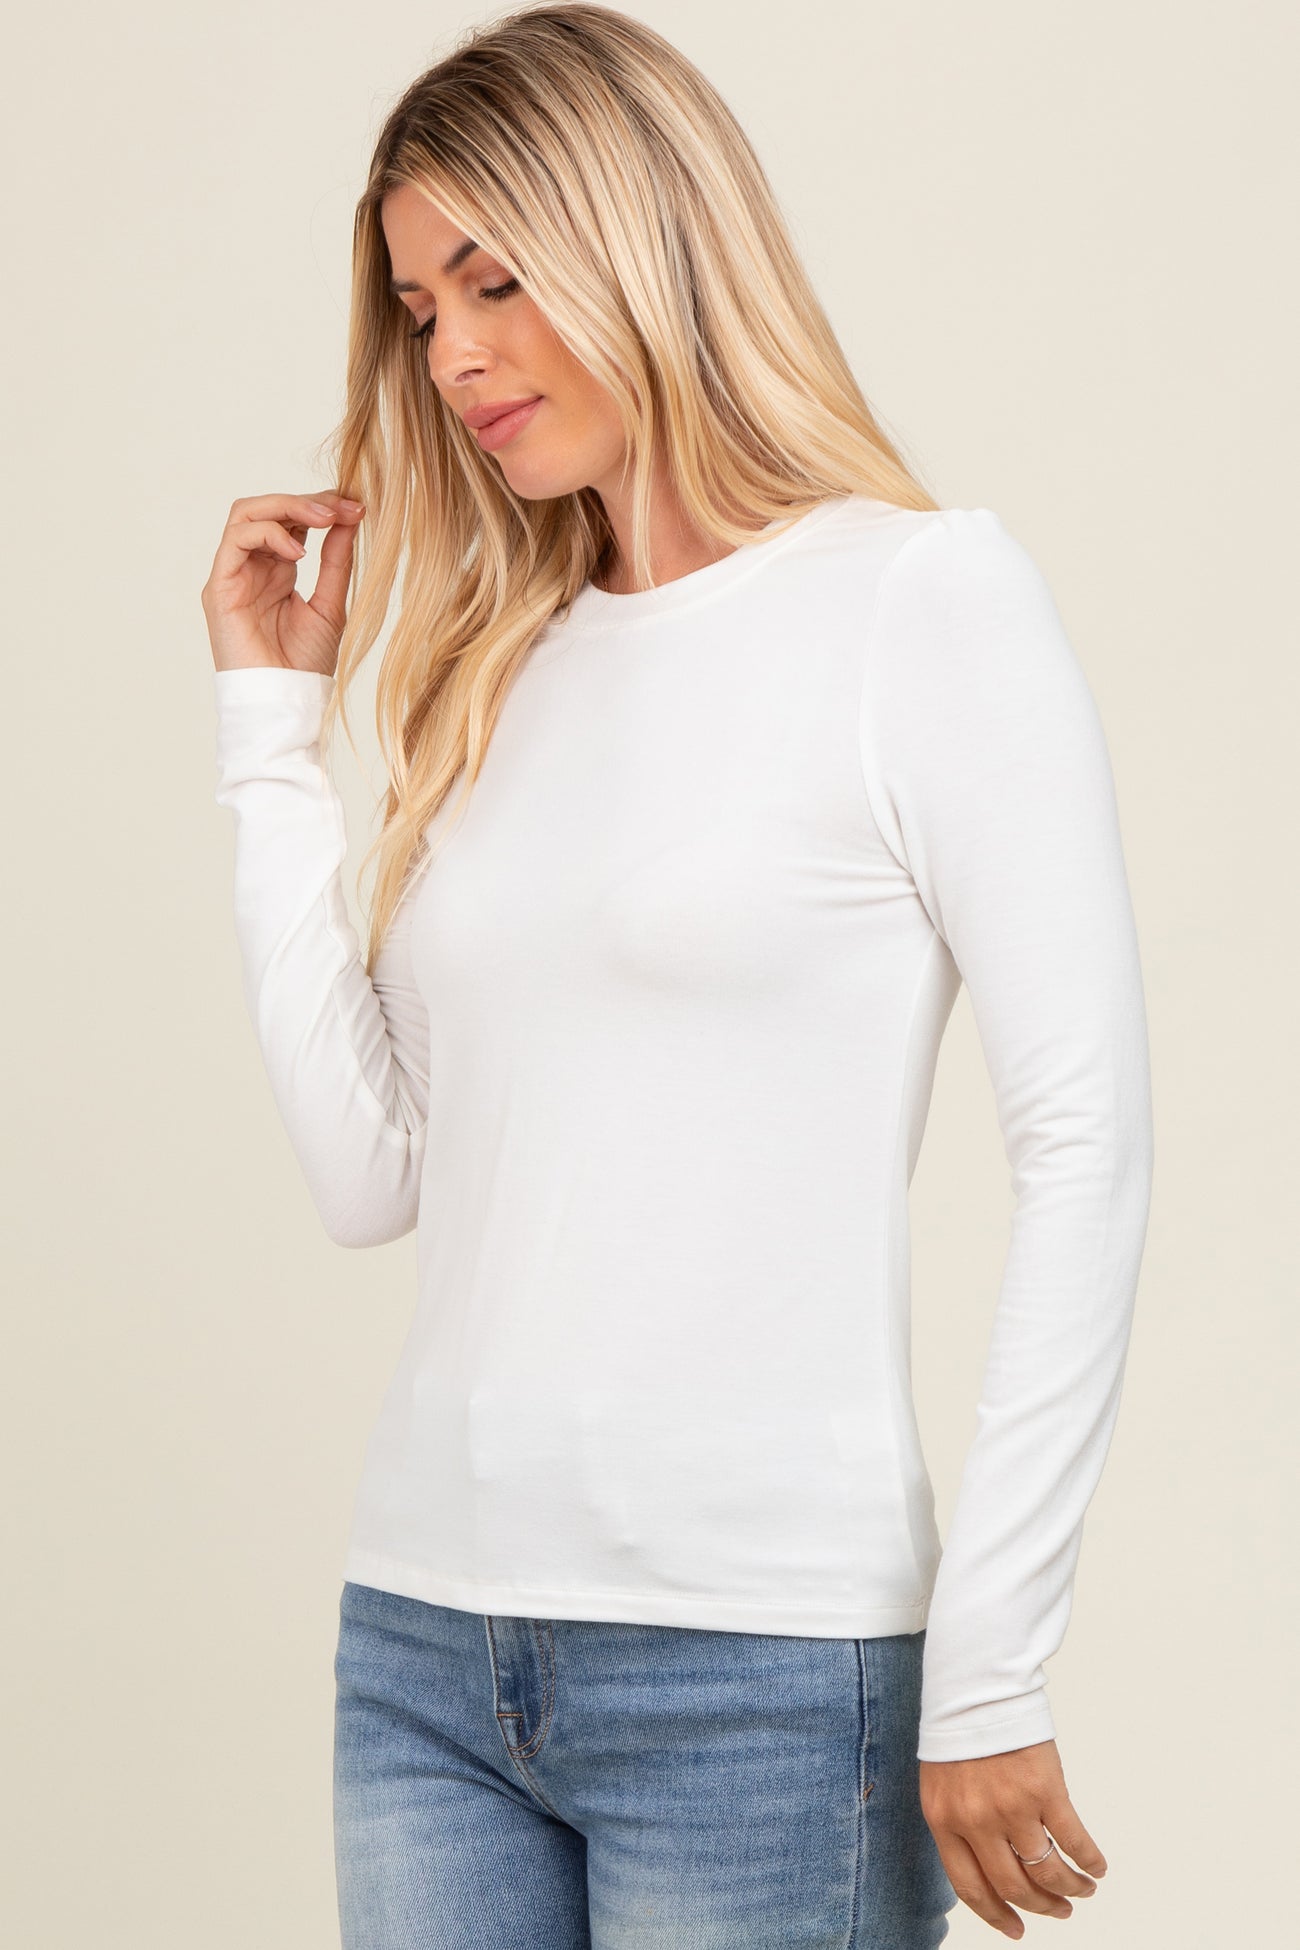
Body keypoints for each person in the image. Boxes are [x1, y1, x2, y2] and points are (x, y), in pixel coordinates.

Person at [201, 6, 1154, 1945]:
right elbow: (368, 1175)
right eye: (418, 310)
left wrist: (988, 1656)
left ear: (648, 240)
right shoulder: (499, 662)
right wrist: (269, 732)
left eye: (496, 280)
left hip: (764, 1668)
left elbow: (1087, 1146)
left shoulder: (920, 601)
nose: (454, 355)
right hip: (425, 1651)